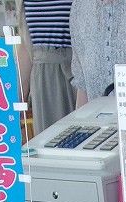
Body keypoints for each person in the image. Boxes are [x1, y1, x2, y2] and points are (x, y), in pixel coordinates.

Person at [18, 0, 76, 133]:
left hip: (76, 73)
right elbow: (26, 47)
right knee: (48, 140)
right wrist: (19, 98)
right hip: (42, 80)